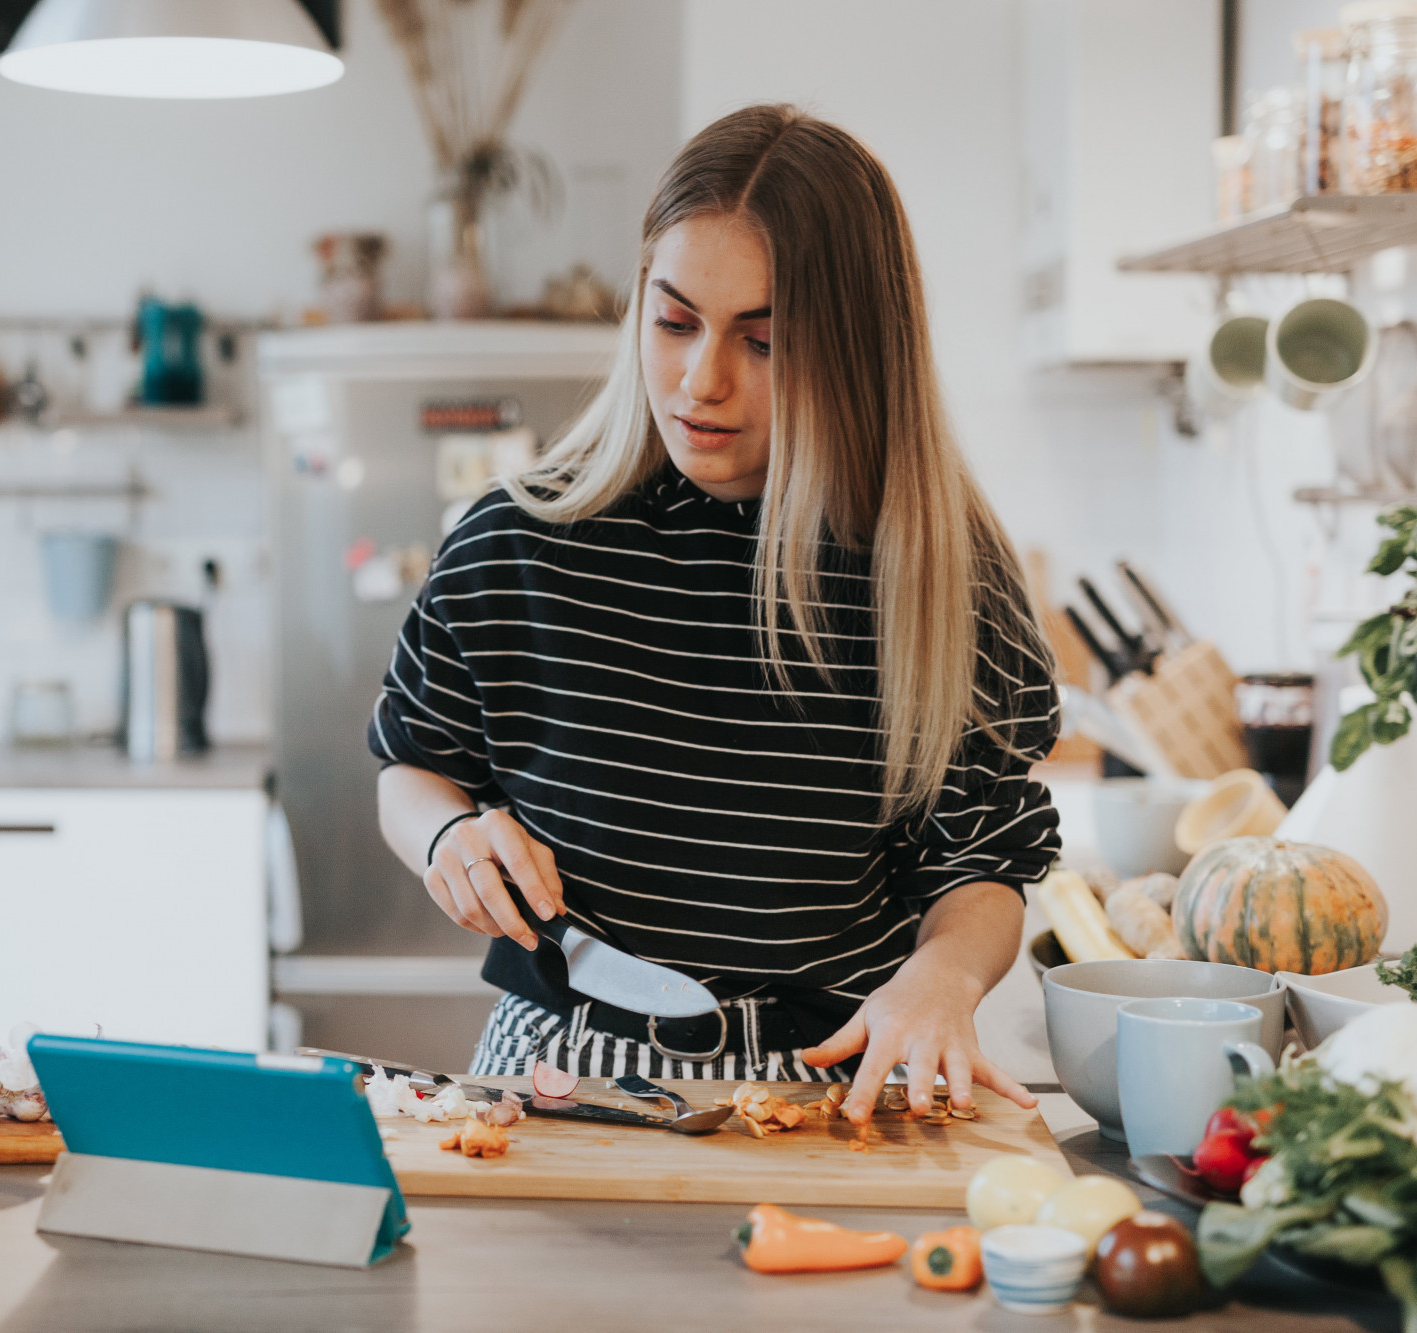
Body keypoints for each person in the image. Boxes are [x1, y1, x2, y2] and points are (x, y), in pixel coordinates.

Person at [367, 104, 1060, 1124]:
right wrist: (446, 838)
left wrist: (944, 978)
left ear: (859, 349)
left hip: (835, 1082)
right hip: (559, 1068)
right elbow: (413, 765)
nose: (701, 382)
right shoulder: (517, 541)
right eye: (674, 320)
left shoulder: (941, 578)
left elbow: (981, 862)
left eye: (764, 339)